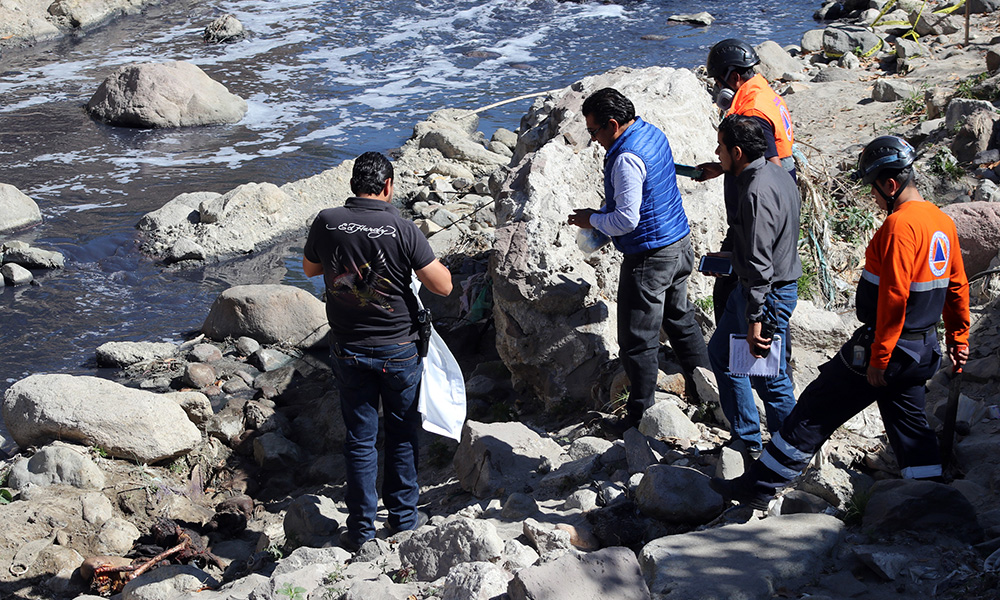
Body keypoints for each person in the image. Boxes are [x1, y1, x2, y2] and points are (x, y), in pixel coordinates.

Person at [711, 136, 971, 509]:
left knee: (816, 407)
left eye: (874, 190)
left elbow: (894, 300)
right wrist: (959, 341)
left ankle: (759, 485)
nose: (875, 199)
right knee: (912, 429)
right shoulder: (940, 220)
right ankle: (929, 500)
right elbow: (957, 287)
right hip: (921, 348)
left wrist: (879, 359)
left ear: (890, 185)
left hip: (887, 348)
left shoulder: (899, 227)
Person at [302, 151, 453, 551]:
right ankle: (403, 521)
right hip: (399, 350)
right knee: (402, 434)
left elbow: (310, 269)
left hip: (349, 349)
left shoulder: (327, 221)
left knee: (360, 438)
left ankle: (361, 529)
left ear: (354, 184)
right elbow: (444, 287)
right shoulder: (402, 228)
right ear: (388, 186)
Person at [567, 87, 710, 434]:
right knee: (679, 317)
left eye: (594, 132)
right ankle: (708, 389)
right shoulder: (651, 132)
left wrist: (592, 220)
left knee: (636, 338)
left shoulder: (625, 157)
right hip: (678, 240)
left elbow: (626, 220)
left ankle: (640, 413)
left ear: (613, 125)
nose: (594, 140)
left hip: (650, 254)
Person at [707, 115, 801, 459]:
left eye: (721, 147)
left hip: (764, 294)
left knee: (767, 376)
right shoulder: (776, 172)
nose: (717, 153)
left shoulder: (755, 193)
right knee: (721, 353)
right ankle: (747, 438)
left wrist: (755, 318)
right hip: (757, 288)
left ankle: (790, 450)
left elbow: (762, 264)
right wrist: (732, 256)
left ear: (737, 151)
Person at [698, 38, 797, 326]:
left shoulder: (753, 110)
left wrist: (749, 241)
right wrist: (722, 168)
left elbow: (770, 169)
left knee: (734, 294)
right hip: (756, 217)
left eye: (718, 79)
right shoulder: (760, 91)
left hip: (757, 219)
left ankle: (743, 350)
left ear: (734, 76)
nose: (717, 86)